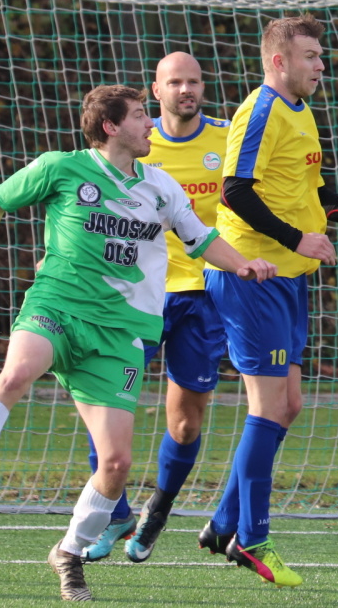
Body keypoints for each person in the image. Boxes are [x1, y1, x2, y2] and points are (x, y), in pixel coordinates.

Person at [0, 85, 276, 603]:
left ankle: (69, 553)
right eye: (140, 116)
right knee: (17, 372)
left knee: (116, 465)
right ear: (111, 127)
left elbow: (200, 239)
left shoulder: (160, 187)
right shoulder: (62, 168)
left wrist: (243, 264)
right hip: (59, 307)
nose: (149, 123)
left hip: (121, 333)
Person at [196, 14, 338, 588]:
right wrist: (295, 239)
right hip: (253, 275)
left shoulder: (300, 110)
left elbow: (318, 197)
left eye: (321, 55)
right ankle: (251, 538)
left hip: (288, 278)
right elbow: (235, 191)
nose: (322, 64)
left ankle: (223, 523)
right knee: (268, 407)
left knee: (288, 405)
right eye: (311, 56)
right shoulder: (260, 111)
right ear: (279, 61)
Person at [80, 52, 234, 562]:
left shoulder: (229, 138)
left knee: (186, 422)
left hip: (202, 295)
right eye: (175, 82)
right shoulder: (135, 140)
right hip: (135, 295)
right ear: (156, 90)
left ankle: (158, 511)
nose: (186, 89)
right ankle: (113, 514)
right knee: (105, 403)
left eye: (194, 81)